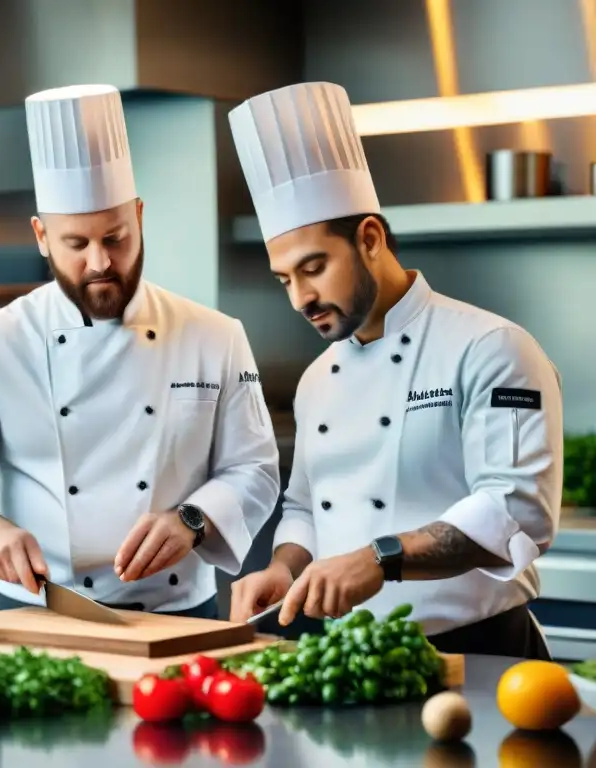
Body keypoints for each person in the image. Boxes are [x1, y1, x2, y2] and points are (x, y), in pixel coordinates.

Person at [0, 84, 281, 619]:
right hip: (36, 610)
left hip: (178, 612)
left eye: (115, 237)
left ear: (139, 214)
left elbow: (255, 468)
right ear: (41, 236)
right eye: (76, 244)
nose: (99, 262)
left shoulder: (215, 336)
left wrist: (193, 520)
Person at [225, 81, 563, 659]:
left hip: (479, 653)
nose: (300, 298)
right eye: (285, 279)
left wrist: (382, 558)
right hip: (354, 657)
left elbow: (517, 508)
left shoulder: (491, 346)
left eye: (314, 268)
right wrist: (284, 567)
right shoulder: (316, 380)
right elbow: (306, 506)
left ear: (371, 238)